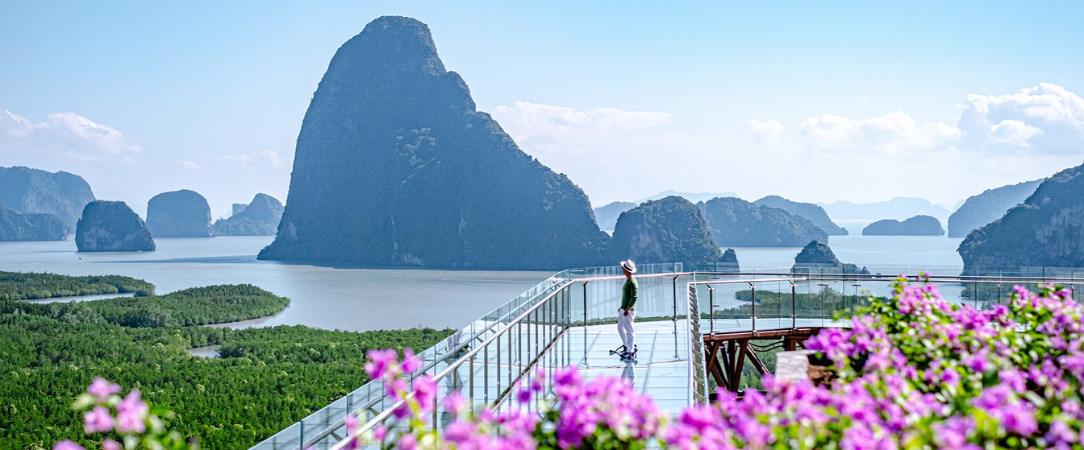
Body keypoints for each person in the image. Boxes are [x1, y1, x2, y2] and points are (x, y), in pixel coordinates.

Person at [618, 259, 638, 360]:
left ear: (626, 270)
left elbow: (634, 297)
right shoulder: (628, 280)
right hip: (623, 308)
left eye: (623, 267)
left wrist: (628, 309)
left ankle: (630, 351)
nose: (622, 269)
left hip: (628, 310)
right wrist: (622, 307)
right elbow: (627, 296)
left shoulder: (633, 282)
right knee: (620, 327)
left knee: (629, 330)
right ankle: (628, 346)